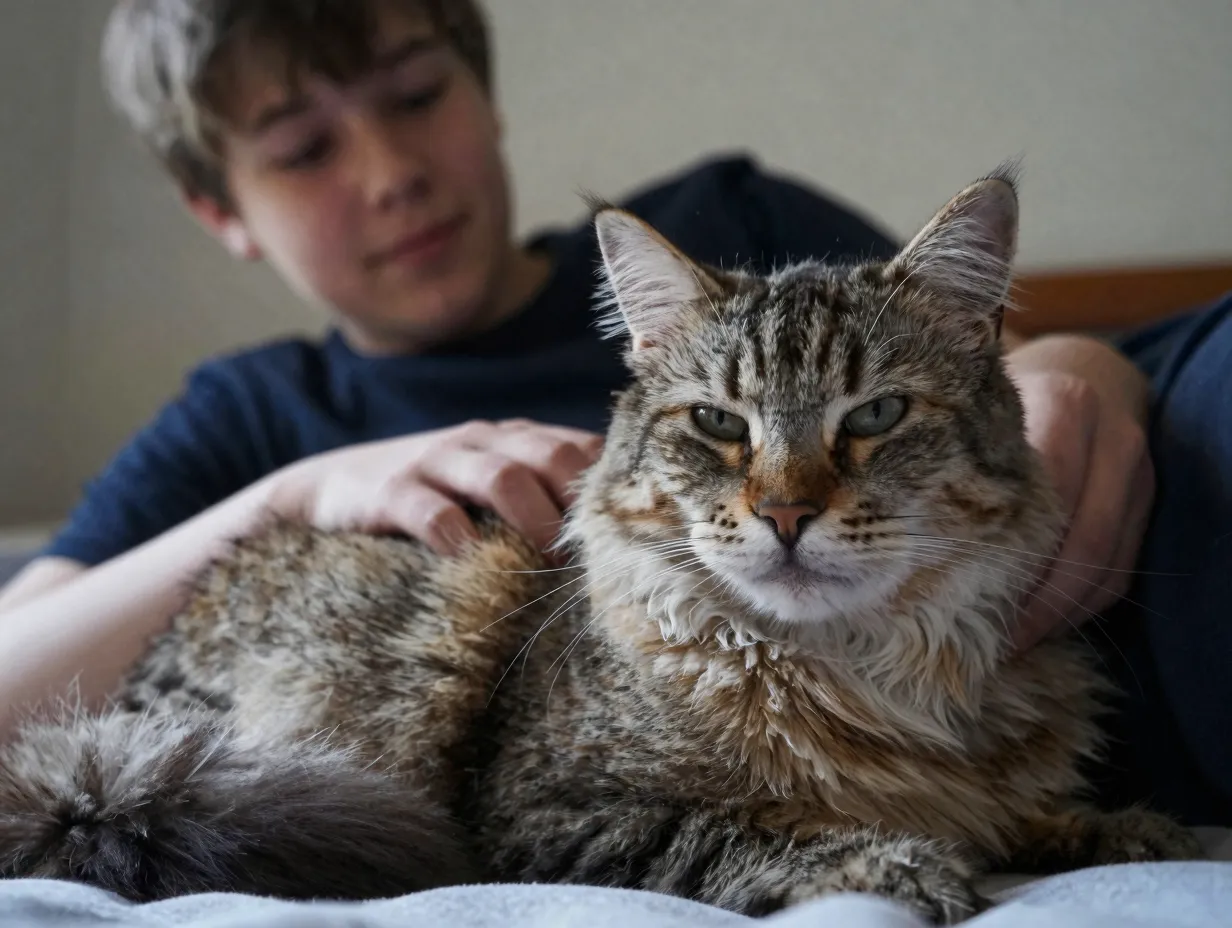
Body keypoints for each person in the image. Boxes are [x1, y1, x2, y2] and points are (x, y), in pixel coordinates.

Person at [0, 0, 1226, 825]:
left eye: (416, 94)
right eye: (303, 149)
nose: (390, 172)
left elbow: (991, 372)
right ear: (219, 208)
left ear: (486, 99)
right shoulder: (252, 410)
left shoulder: (725, 219)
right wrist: (292, 491)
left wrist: (1086, 369)